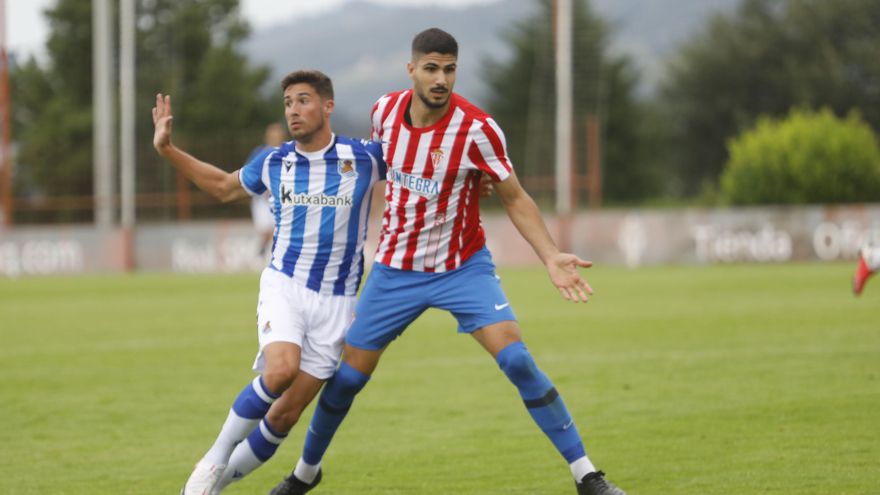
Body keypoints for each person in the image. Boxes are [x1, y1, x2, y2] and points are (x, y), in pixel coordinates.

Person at [268, 28, 626, 495]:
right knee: (347, 378)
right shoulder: (384, 112)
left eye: (450, 69)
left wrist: (550, 254)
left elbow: (514, 197)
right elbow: (382, 169)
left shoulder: (478, 129)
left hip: (463, 267)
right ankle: (305, 474)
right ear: (411, 69)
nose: (441, 79)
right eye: (432, 68)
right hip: (395, 269)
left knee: (518, 360)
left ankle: (587, 476)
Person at [151, 69, 387, 495]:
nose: (293, 110)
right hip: (285, 284)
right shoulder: (275, 162)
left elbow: (422, 168)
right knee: (280, 371)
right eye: (288, 103)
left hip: (337, 302)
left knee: (284, 416)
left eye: (303, 100)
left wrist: (477, 180)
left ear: (327, 106)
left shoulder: (366, 157)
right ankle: (213, 459)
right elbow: (223, 187)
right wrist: (167, 149)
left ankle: (216, 486)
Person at [247, 123, 288, 257]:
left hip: (283, 199)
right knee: (265, 230)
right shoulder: (259, 153)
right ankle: (263, 250)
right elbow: (248, 174)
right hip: (262, 200)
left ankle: (268, 252)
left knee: (279, 230)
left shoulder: (289, 153)